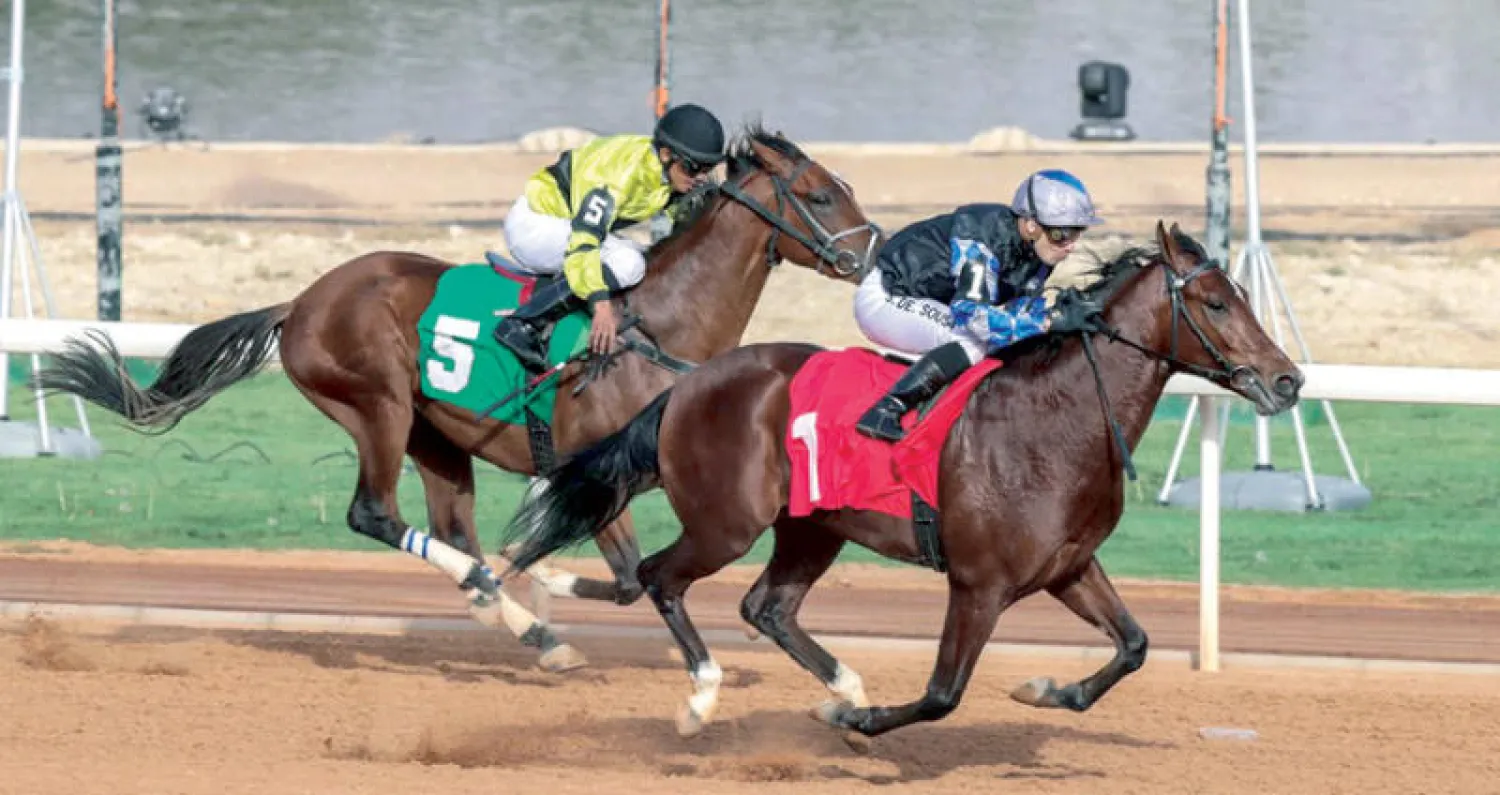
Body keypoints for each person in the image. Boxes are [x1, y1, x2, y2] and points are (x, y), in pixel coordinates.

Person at [851, 169, 1107, 442]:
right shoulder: (982, 236)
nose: (1070, 246)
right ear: (1031, 225)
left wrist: (1054, 316)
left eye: (1077, 233)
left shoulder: (1040, 255)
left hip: (929, 302)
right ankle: (887, 410)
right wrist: (1050, 321)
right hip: (886, 297)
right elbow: (974, 318)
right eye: (1062, 234)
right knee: (973, 340)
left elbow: (1020, 315)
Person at [494, 103, 728, 371]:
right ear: (666, 155)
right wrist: (601, 307)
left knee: (641, 258)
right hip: (536, 226)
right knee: (629, 263)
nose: (699, 177)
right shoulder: (619, 174)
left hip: (565, 223)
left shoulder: (664, 171)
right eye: (693, 168)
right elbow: (584, 242)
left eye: (706, 168)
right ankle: (524, 323)